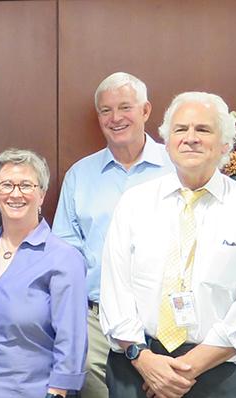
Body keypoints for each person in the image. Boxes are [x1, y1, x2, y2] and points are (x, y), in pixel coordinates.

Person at [99, 92, 236, 397]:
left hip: (219, 372)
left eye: (203, 129)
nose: (190, 138)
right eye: (180, 129)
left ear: (225, 143)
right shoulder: (135, 203)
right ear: (167, 141)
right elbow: (114, 289)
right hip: (137, 368)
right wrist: (145, 360)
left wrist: (186, 368)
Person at [52, 72, 174, 398]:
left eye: (125, 107)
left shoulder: (176, 167)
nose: (115, 118)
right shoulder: (80, 175)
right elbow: (66, 252)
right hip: (97, 323)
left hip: (167, 321)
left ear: (146, 111)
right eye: (106, 110)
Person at [0, 149, 87, 398]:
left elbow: (71, 341)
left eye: (26, 185)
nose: (15, 193)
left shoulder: (63, 259)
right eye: (6, 185)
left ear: (42, 194)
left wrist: (57, 393)